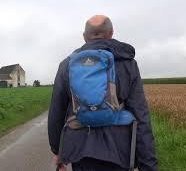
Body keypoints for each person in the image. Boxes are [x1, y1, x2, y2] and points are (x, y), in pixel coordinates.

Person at [48, 15, 158, 171]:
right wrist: (148, 165)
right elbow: (141, 115)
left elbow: (56, 113)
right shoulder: (127, 63)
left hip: (80, 152)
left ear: (85, 37)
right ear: (111, 33)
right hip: (120, 149)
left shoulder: (67, 65)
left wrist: (58, 152)